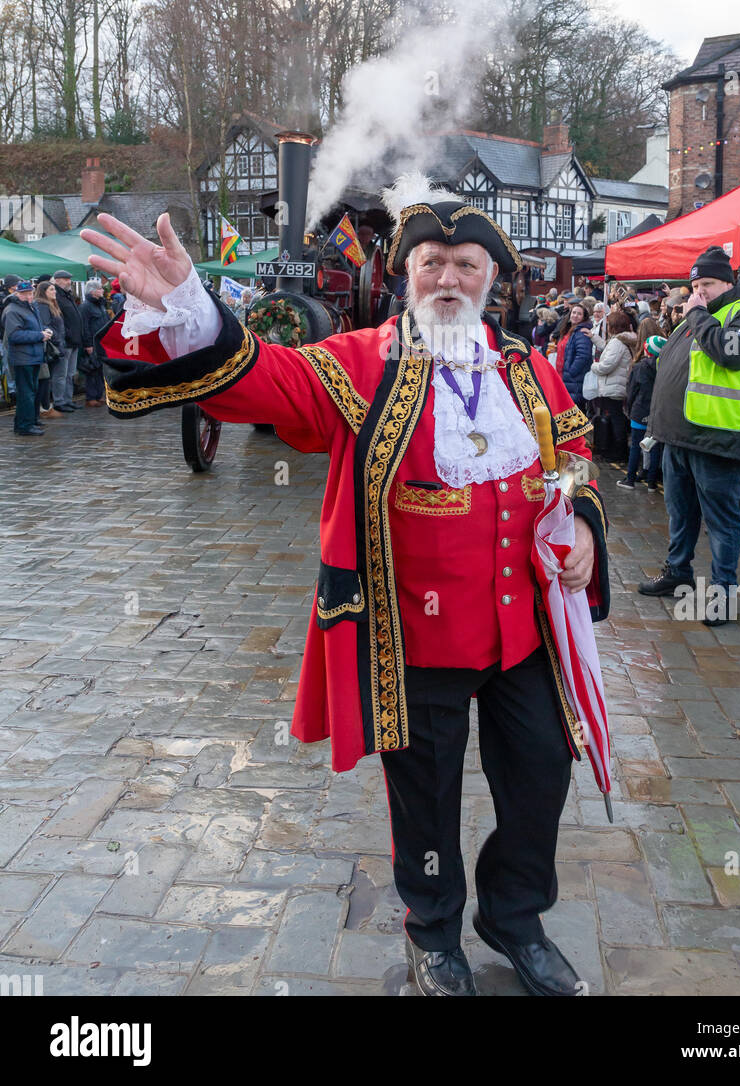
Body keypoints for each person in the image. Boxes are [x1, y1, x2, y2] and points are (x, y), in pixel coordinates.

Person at [82, 189, 609, 999]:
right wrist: (191, 307)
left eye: (466, 265)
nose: (447, 278)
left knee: (542, 776)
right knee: (426, 799)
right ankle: (433, 935)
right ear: (405, 277)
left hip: (526, 631)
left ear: (490, 281)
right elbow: (267, 381)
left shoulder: (527, 367)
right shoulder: (360, 362)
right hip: (417, 639)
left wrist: (576, 518)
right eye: (430, 262)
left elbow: (572, 447)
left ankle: (516, 915)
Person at [640, 246, 740, 626]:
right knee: (680, 514)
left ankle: (723, 594)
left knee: (721, 523)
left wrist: (697, 313)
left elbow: (727, 353)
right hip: (681, 436)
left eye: (708, 284)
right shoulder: (698, 317)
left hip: (720, 440)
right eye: (695, 285)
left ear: (729, 282)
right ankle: (677, 571)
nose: (698, 293)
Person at [617, 326, 666, 491]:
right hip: (657, 412)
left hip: (639, 410)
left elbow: (632, 391)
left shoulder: (639, 367)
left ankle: (630, 479)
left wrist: (629, 408)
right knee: (654, 447)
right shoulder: (665, 368)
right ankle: (652, 482)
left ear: (647, 351)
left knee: (636, 445)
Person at [3, 278, 53, 435]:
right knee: (26, 393)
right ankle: (25, 426)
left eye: (30, 293)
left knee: (31, 391)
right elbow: (14, 336)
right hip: (22, 358)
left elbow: (35, 326)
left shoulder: (31, 307)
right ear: (18, 293)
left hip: (33, 355)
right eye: (25, 294)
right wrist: (40, 335)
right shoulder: (12, 310)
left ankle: (25, 423)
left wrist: (45, 330)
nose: (29, 296)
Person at [592, 309, 636, 461]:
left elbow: (607, 365)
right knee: (617, 418)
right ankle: (616, 449)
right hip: (617, 384)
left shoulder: (617, 342)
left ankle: (618, 452)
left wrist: (594, 366)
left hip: (613, 386)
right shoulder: (624, 340)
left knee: (616, 419)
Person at [34, 280, 67, 419]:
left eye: (54, 289)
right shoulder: (42, 306)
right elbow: (46, 326)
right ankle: (45, 408)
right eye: (51, 290)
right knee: (46, 379)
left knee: (51, 378)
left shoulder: (52, 305)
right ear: (44, 292)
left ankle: (47, 406)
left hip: (58, 345)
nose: (55, 292)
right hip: (50, 347)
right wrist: (57, 339)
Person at [52, 271, 84, 410]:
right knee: (61, 374)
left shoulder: (67, 295)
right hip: (66, 341)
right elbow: (60, 320)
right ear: (57, 280)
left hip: (74, 341)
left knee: (70, 373)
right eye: (65, 279)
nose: (68, 282)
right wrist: (68, 335)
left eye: (69, 279)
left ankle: (68, 399)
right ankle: (59, 401)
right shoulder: (57, 296)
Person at [80, 280, 109, 406]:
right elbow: (84, 326)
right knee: (92, 369)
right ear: (93, 291)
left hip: (102, 341)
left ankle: (99, 394)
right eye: (100, 288)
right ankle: (91, 397)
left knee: (100, 369)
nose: (102, 290)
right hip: (92, 342)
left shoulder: (100, 305)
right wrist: (88, 344)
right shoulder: (86, 306)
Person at [561, 302, 594, 409]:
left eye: (579, 314)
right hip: (569, 377)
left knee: (576, 410)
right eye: (573, 312)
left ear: (584, 317)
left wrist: (571, 371)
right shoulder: (572, 329)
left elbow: (583, 355)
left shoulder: (581, 332)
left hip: (574, 379)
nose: (575, 315)